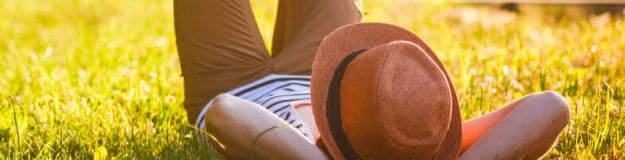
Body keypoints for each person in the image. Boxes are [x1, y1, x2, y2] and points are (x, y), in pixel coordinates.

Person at [172, 0, 572, 159]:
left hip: (234, 80)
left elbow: (226, 112)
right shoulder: (408, 141)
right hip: (321, 73)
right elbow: (551, 107)